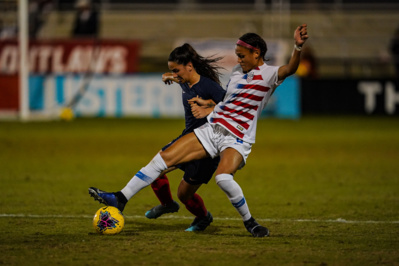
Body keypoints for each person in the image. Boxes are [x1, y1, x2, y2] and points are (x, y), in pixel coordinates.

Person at [89, 24, 309, 237]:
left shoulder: (270, 75)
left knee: (223, 178)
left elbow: (290, 68)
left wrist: (297, 47)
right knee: (162, 160)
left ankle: (250, 222)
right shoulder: (236, 73)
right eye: (237, 55)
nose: (238, 59)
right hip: (212, 129)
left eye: (241, 55)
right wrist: (210, 107)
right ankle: (121, 198)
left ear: (256, 53)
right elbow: (229, 102)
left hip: (237, 138)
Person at [92, 43, 227, 232]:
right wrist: (169, 76)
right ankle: (166, 205)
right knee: (156, 170)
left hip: (206, 148)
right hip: (187, 138)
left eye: (176, 70)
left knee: (184, 195)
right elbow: (177, 78)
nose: (175, 74)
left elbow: (232, 107)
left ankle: (203, 217)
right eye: (172, 70)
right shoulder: (185, 80)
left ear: (190, 65)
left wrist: (209, 109)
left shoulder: (208, 86)